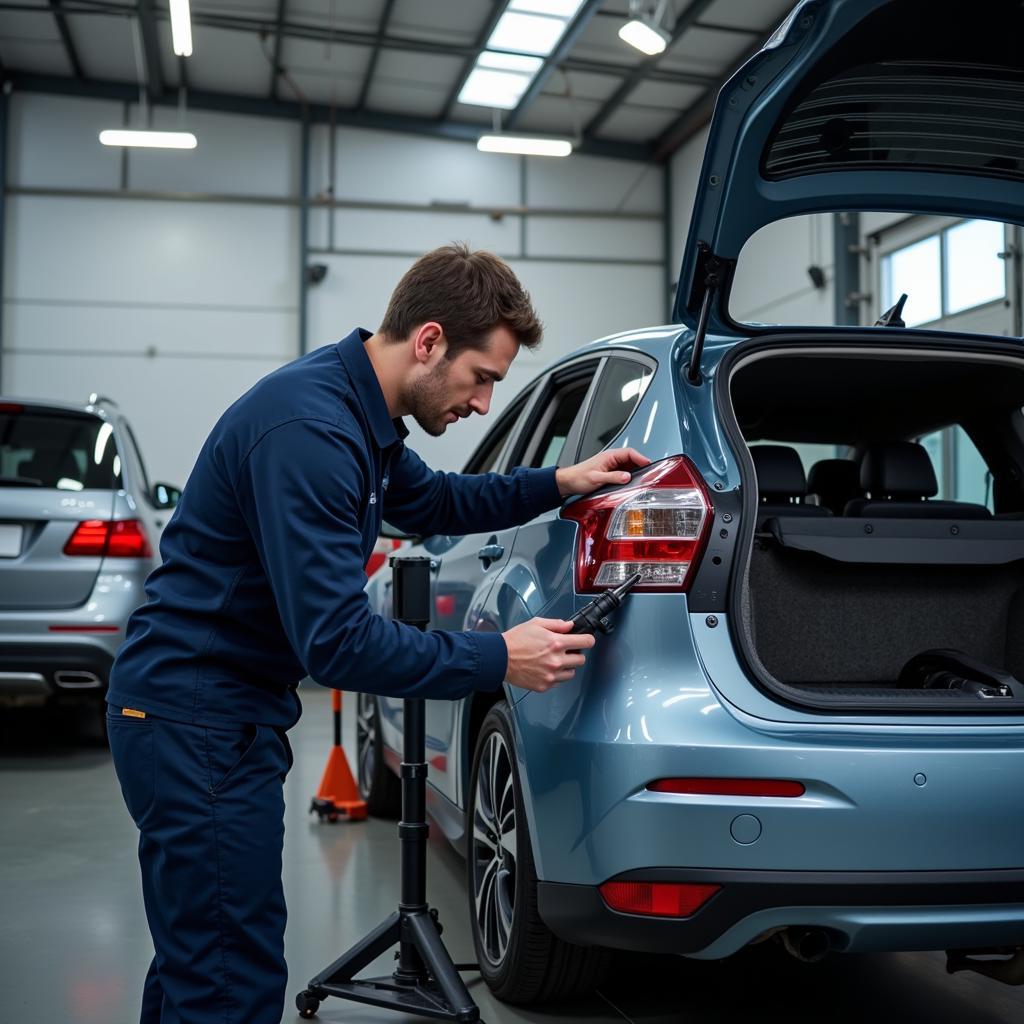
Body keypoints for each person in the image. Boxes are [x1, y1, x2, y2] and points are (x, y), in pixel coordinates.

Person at [106, 243, 649, 1024]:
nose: (484, 404)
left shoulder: (362, 416)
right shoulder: (312, 433)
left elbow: (435, 503)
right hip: (193, 720)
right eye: (483, 378)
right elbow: (339, 645)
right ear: (428, 342)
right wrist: (501, 654)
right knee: (226, 974)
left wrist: (560, 482)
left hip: (216, 713)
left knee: (203, 956)